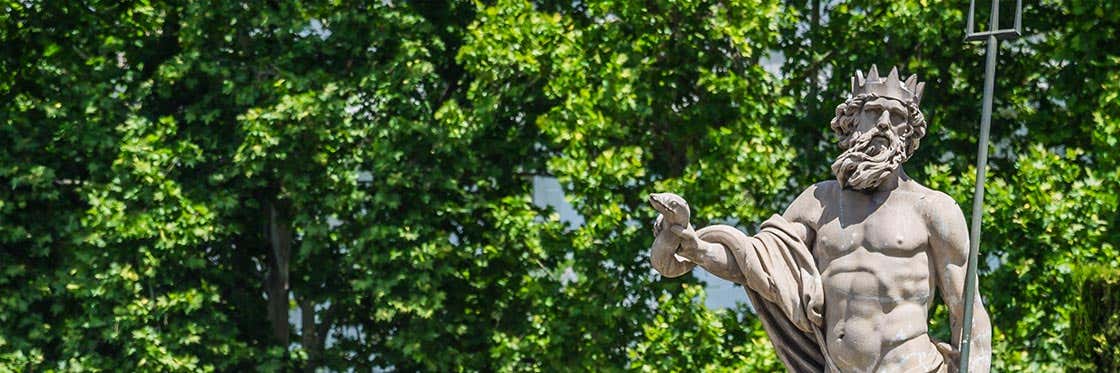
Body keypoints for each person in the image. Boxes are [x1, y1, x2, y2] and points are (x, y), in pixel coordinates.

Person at [652, 66, 991, 373]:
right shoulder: (819, 202)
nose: (885, 124)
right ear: (852, 121)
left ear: (909, 133)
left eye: (897, 117)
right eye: (873, 112)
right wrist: (693, 244)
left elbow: (968, 313)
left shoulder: (933, 209)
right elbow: (755, 266)